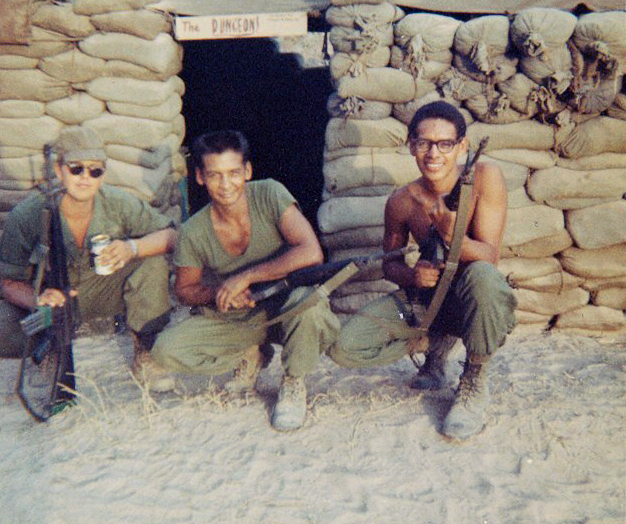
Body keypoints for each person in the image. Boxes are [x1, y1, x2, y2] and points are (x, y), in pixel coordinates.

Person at [328, 101, 517, 440]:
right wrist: (413, 276)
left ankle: (473, 380)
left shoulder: (485, 179)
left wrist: (450, 233)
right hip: (425, 299)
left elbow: (489, 256)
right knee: (345, 346)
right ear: (410, 144)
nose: (434, 153)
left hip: (470, 298)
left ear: (462, 146)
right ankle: (434, 344)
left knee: (485, 279)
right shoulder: (401, 201)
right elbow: (390, 265)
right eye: (424, 142)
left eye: (445, 144)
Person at [151, 130, 340, 431]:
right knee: (167, 349)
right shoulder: (193, 231)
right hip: (241, 316)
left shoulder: (270, 194)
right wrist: (220, 293)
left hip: (286, 307)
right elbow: (185, 291)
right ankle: (250, 353)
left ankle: (292, 382)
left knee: (310, 305)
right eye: (215, 175)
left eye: (234, 173)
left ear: (248, 171)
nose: (226, 185)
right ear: (200, 177)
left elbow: (311, 251)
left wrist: (246, 276)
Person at [0, 126, 177, 391]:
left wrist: (132, 247)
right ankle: (51, 350)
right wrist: (38, 300)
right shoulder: (29, 214)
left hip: (101, 294)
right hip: (51, 304)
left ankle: (146, 350)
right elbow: (7, 281)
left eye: (95, 170)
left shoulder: (118, 203)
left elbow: (173, 235)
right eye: (76, 168)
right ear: (59, 170)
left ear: (103, 175)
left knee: (151, 263)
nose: (85, 177)